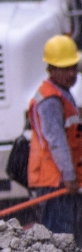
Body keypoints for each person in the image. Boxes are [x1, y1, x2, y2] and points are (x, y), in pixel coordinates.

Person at [28, 35, 82, 238]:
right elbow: (56, 141)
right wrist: (69, 176)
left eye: (73, 68)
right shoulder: (50, 99)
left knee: (70, 241)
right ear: (51, 69)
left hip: (64, 179)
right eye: (65, 69)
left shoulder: (63, 93)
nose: (71, 74)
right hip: (55, 180)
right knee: (61, 241)